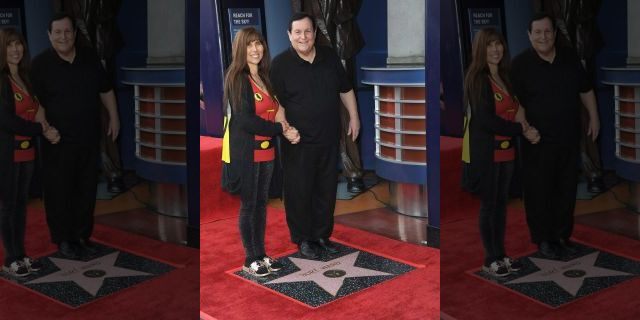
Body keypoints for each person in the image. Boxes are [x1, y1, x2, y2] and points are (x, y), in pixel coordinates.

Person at [30, 12, 121, 259]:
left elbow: (106, 89)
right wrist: (46, 129)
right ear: (49, 36)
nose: (63, 37)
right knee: (60, 191)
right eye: (57, 32)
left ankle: (82, 236)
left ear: (75, 33)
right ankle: (63, 240)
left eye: (67, 31)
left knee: (86, 189)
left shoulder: (90, 57)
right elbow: (34, 104)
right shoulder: (39, 65)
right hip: (57, 141)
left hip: (89, 137)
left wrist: (114, 117)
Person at [271, 12, 361, 259]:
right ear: (289, 36)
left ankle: (322, 235)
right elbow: (276, 103)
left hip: (328, 137)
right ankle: (303, 239)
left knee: (326, 189)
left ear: (315, 33)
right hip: (297, 141)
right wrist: (286, 129)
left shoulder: (330, 57)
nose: (303, 37)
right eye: (297, 32)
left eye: (307, 31)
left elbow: (346, 89)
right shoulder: (279, 65)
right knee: (299, 191)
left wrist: (354, 117)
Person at [511, 13, 600, 259]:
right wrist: (526, 129)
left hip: (569, 137)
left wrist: (595, 117)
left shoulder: (569, 57)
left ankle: (562, 236)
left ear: (555, 33)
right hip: (537, 141)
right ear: (529, 36)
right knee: (540, 191)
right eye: (537, 32)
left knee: (566, 189)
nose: (543, 37)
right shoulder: (519, 65)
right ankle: (543, 239)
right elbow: (514, 104)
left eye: (547, 31)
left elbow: (586, 89)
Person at [461, 28, 540, 277]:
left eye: (499, 44)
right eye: (490, 45)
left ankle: (501, 253)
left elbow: (516, 108)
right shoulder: (476, 78)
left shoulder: (505, 76)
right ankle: (490, 258)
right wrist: (521, 130)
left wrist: (526, 128)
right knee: (489, 205)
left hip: (507, 152)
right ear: (480, 49)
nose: (496, 50)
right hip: (487, 152)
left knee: (501, 206)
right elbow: (486, 120)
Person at [223, 27, 300, 277]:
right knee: (249, 205)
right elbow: (245, 121)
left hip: (266, 150)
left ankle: (261, 253)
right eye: (249, 45)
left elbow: (276, 109)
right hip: (247, 152)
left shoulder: (265, 77)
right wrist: (279, 129)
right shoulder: (237, 78)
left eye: (258, 44)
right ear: (240, 49)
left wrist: (286, 128)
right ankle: (250, 258)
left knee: (261, 205)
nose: (256, 49)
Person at [0, 28, 59, 276]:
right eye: (9, 45)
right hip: (8, 153)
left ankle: (21, 253)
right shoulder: (1, 80)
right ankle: (10, 258)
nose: (15, 49)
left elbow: (36, 108)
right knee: (8, 206)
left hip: (27, 152)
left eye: (19, 44)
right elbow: (7, 121)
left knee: (22, 205)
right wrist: (40, 130)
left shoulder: (25, 76)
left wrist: (46, 128)